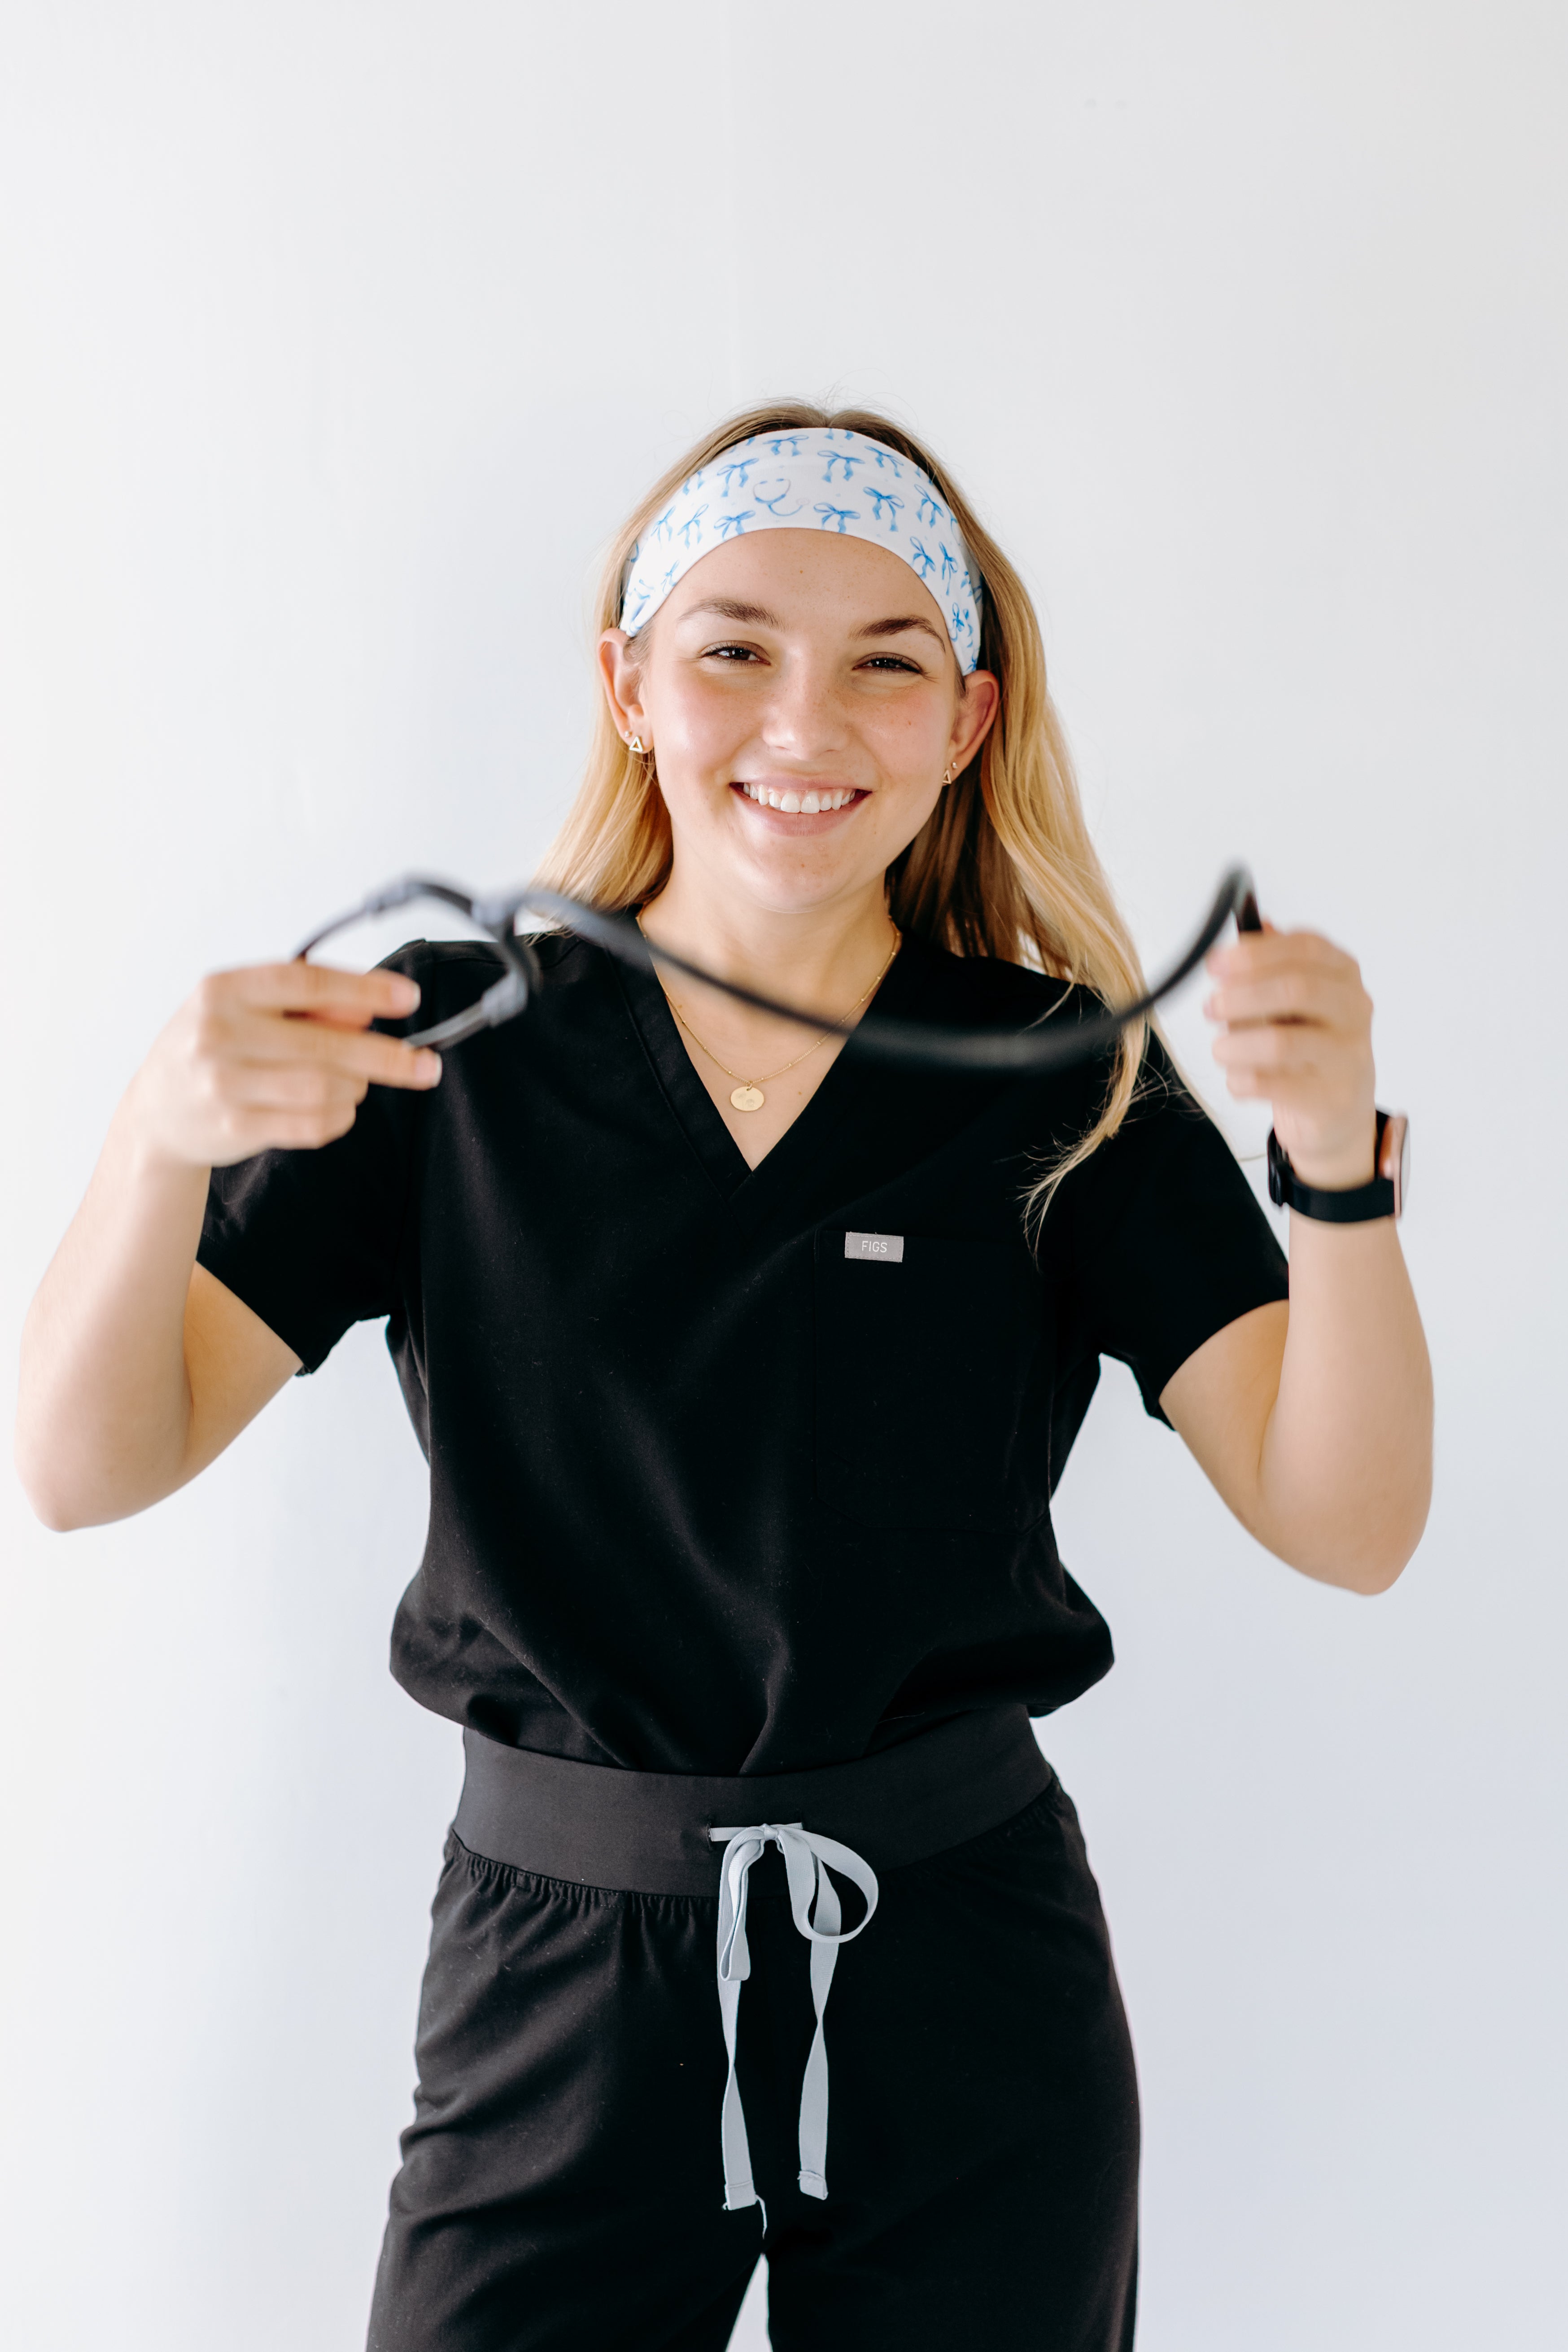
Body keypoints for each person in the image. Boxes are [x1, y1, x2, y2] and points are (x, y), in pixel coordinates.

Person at [16, 404, 1432, 2352]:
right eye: (735, 647)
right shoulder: (442, 1052)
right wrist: (154, 1139)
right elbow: (83, 1465)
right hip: (555, 1971)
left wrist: (1337, 1169)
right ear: (627, 685)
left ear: (969, 722)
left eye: (886, 664)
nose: (805, 721)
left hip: (963, 1966)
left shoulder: (1064, 1075)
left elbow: (1349, 1523)